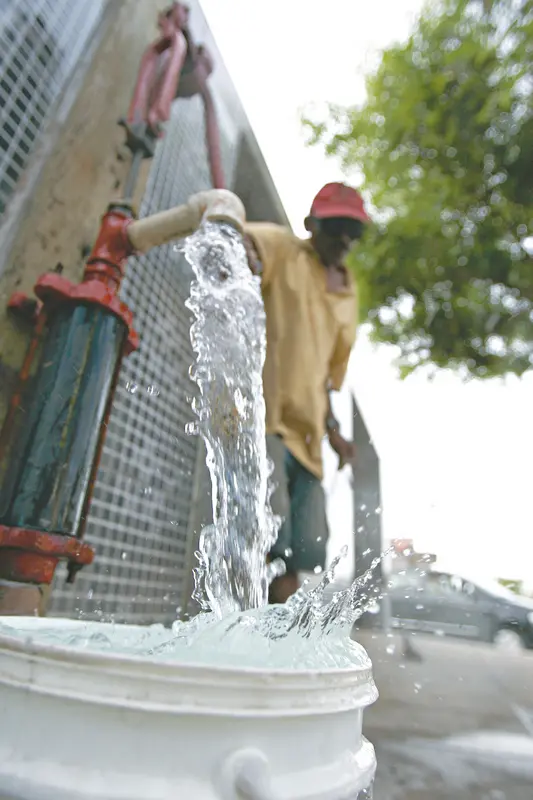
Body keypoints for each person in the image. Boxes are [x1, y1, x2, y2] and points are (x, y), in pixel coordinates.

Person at [243, 182, 370, 603]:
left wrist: (334, 432)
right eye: (335, 227)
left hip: (311, 439)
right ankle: (247, 628)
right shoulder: (285, 250)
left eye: (354, 230)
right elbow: (237, 237)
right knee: (270, 541)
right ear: (310, 224)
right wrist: (242, 257)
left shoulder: (348, 292)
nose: (345, 239)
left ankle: (275, 633)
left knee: (308, 549)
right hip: (267, 422)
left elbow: (325, 376)